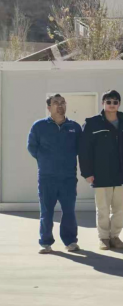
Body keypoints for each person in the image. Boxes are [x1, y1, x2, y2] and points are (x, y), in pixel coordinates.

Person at [79, 90, 123, 250]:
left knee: (119, 209)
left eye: (115, 102)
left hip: (121, 172)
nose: (112, 105)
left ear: (119, 104)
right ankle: (104, 238)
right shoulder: (92, 123)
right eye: (108, 102)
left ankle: (115, 236)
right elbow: (84, 150)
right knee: (103, 208)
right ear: (103, 103)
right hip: (100, 172)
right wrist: (87, 173)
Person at [27, 94, 82, 254]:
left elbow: (80, 148)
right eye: (56, 103)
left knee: (69, 211)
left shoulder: (74, 127)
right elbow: (32, 147)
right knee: (46, 212)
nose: (60, 105)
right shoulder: (39, 126)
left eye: (62, 102)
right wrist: (45, 160)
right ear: (49, 107)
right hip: (47, 177)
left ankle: (70, 241)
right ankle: (45, 242)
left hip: (68, 178)